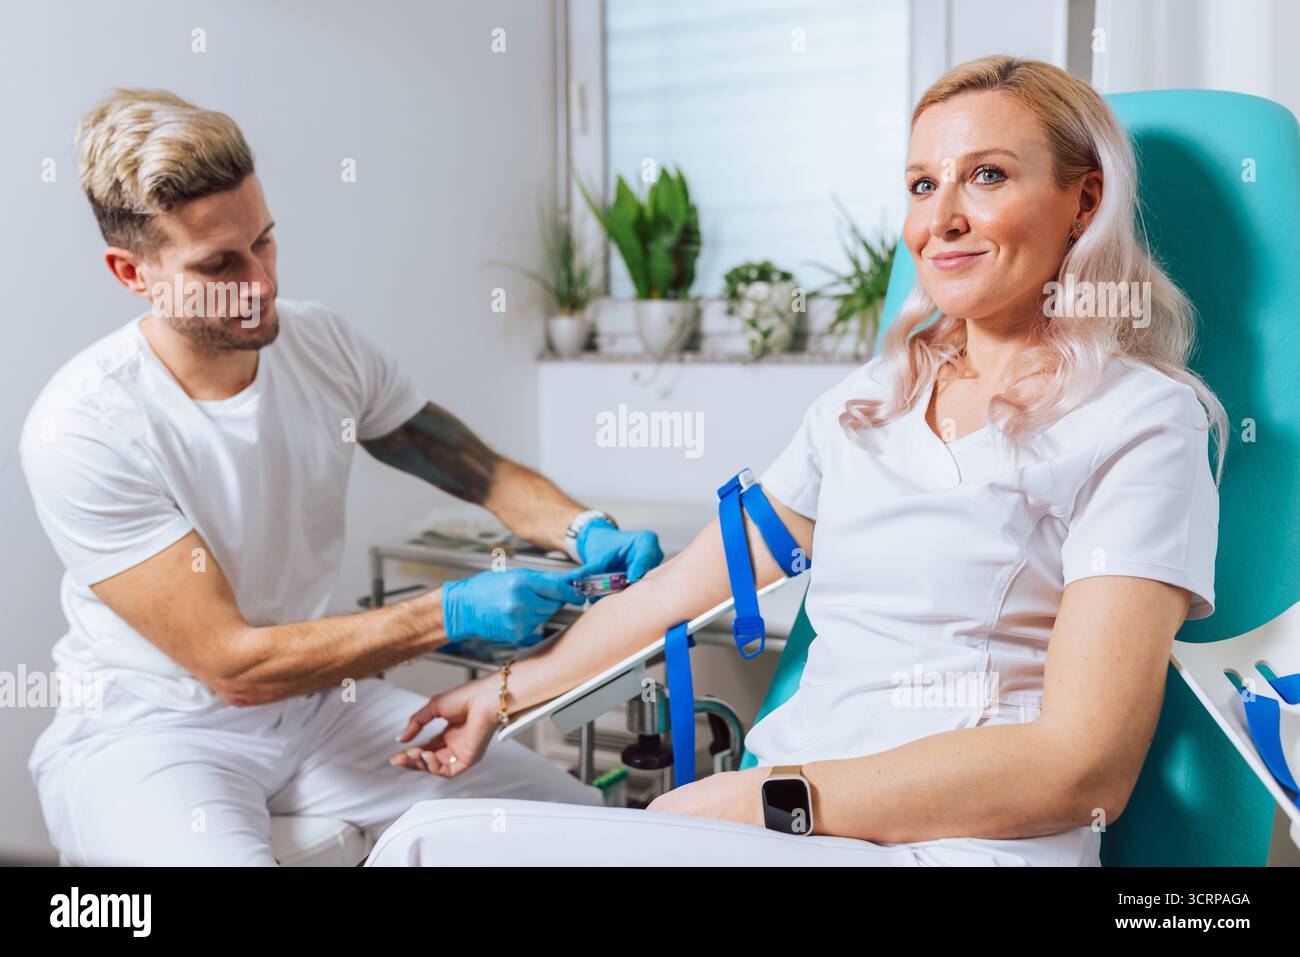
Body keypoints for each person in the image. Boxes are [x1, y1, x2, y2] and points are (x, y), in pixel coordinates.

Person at [368, 56, 1226, 867]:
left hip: (957, 842)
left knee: (426, 847)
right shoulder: (868, 403)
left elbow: (1082, 770)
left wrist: (774, 798)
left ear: (1086, 200)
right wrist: (506, 693)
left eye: (988, 176)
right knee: (434, 837)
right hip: (792, 831)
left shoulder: (1141, 421)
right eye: (923, 185)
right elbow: (680, 588)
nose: (942, 219)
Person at [19, 89, 662, 865]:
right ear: (133, 272)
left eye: (265, 242)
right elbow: (234, 665)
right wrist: (451, 612)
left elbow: (478, 469)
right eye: (219, 264)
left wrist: (581, 527)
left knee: (578, 828)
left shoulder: (321, 343)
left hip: (320, 710)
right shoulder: (86, 424)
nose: (260, 282)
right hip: (152, 730)